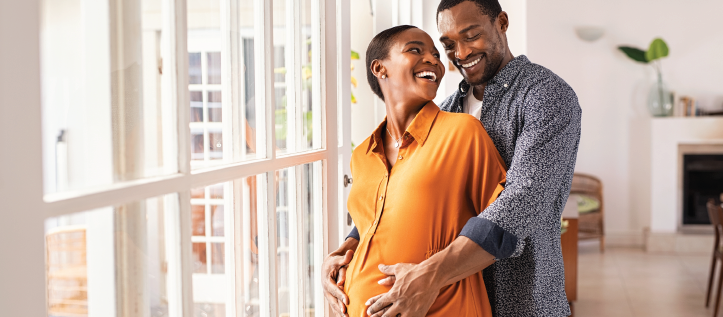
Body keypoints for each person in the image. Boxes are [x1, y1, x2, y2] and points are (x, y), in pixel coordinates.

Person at [322, 0, 581, 316]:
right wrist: (353, 243)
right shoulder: (445, 110)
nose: (460, 54)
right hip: (448, 300)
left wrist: (429, 274)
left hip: (523, 299)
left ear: (501, 22)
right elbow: (401, 195)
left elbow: (521, 203)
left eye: (471, 36)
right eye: (448, 45)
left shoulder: (545, 96)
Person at [334, 24, 508, 317]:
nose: (434, 61)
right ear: (380, 68)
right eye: (415, 50)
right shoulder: (362, 154)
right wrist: (339, 258)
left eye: (436, 55)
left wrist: (430, 276)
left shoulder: (463, 133)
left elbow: (503, 228)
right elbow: (371, 229)